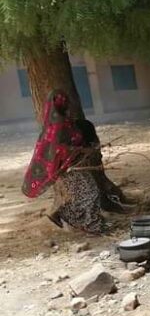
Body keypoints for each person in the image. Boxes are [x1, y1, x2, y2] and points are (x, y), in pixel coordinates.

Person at [22, 90, 105, 234]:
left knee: (85, 194)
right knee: (91, 193)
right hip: (65, 167)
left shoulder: (59, 122)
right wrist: (81, 150)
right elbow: (58, 149)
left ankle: (67, 216)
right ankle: (90, 226)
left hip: (69, 166)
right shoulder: (58, 125)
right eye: (64, 101)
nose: (67, 104)